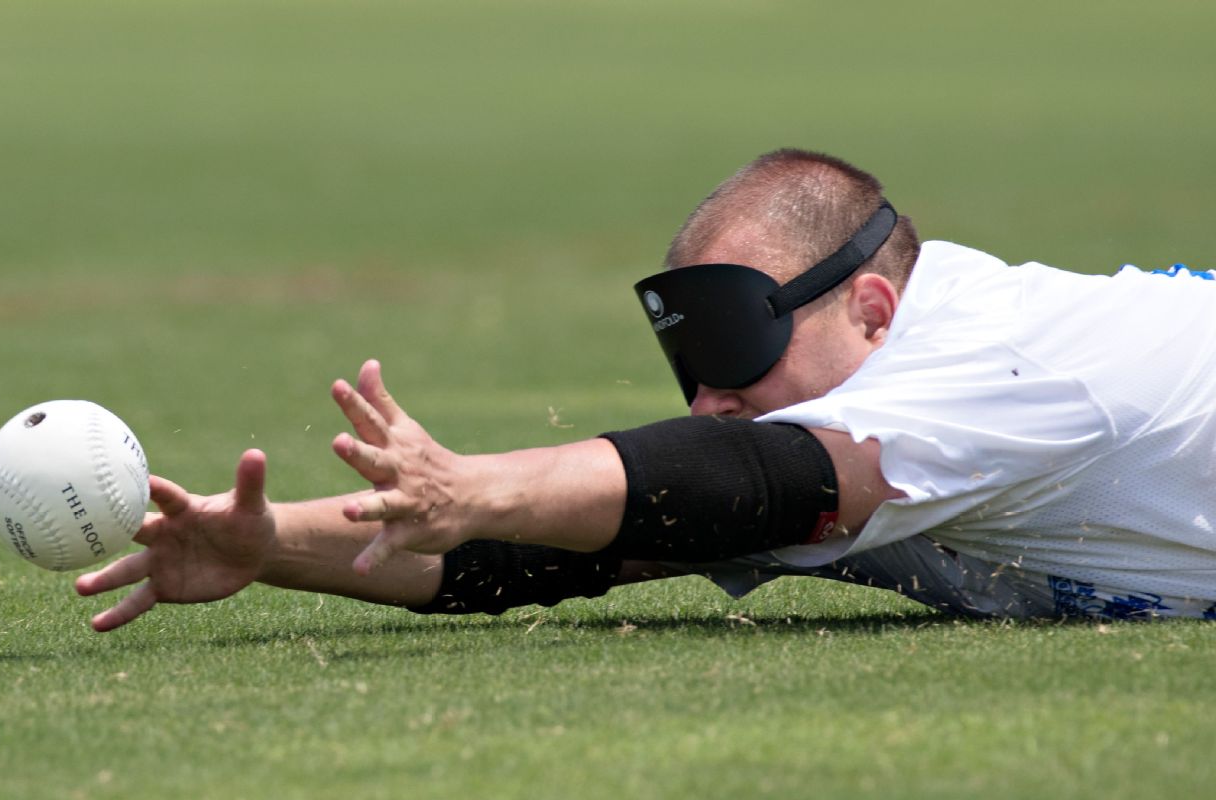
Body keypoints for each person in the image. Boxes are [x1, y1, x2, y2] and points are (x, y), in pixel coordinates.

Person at [76, 148, 1216, 630]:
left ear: (871, 307)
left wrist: (480, 485)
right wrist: (262, 544)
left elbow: (753, 476)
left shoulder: (1005, 365)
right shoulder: (836, 418)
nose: (713, 401)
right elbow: (551, 547)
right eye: (694, 363)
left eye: (741, 346)